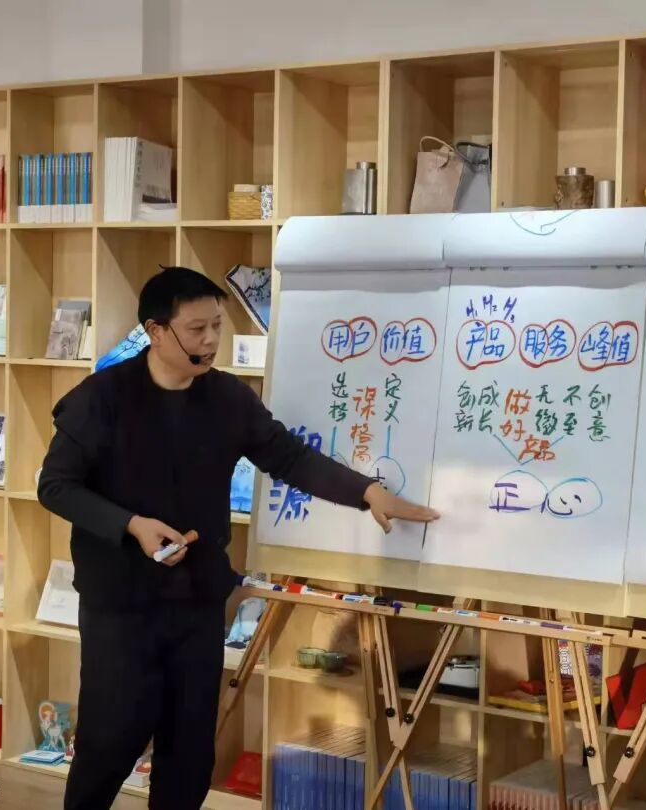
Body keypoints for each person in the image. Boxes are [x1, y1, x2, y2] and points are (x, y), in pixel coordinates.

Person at [37, 265, 439, 810]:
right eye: (196, 329)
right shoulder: (101, 397)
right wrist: (132, 525)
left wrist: (367, 492)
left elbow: (289, 457)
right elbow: (56, 487)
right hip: (120, 604)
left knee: (189, 752)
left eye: (216, 327)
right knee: (110, 741)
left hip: (198, 601)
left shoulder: (228, 399)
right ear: (156, 332)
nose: (210, 341)